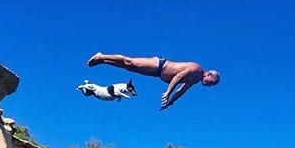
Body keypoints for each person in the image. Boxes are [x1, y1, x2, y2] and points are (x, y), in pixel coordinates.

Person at [87, 52, 220, 110]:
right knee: (129, 61)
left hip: (156, 73)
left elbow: (182, 90)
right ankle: (102, 56)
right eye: (211, 82)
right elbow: (177, 77)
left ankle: (103, 61)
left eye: (211, 85)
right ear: (209, 74)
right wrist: (167, 92)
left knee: (128, 67)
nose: (209, 85)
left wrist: (171, 102)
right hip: (160, 65)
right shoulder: (196, 69)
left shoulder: (196, 80)